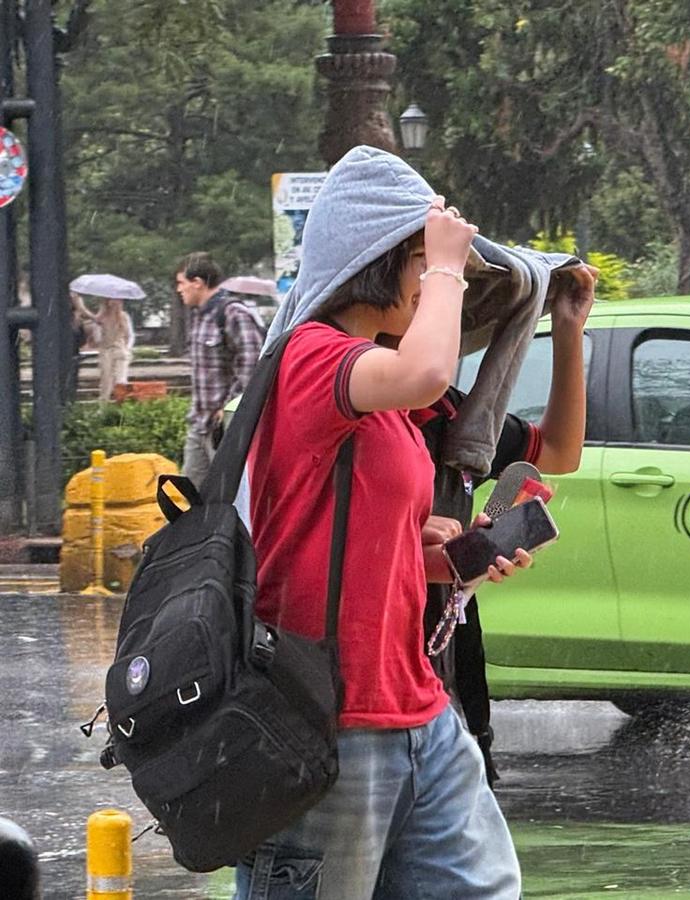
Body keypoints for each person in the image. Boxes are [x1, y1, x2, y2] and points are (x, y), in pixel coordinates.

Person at [235, 148, 530, 899]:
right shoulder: (312, 357)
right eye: (417, 267)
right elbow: (429, 371)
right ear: (383, 261)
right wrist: (446, 261)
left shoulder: (376, 383)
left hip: (419, 709)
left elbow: (352, 529)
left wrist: (435, 554)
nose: (434, 291)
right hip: (329, 718)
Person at [418, 262, 597, 783]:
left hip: (446, 664)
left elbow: (560, 451)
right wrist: (416, 545)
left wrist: (567, 329)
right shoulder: (365, 410)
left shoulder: (455, 418)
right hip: (378, 674)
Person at [175, 252, 263, 486]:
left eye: (181, 283)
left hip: (226, 424)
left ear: (198, 283)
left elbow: (252, 361)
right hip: (200, 422)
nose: (179, 289)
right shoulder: (199, 317)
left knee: (229, 492)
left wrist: (230, 405)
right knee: (191, 493)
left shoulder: (233, 313)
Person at [72, 292, 133, 403]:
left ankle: (120, 403)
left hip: (119, 350)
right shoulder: (102, 317)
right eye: (111, 300)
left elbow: (129, 335)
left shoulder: (123, 317)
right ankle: (105, 405)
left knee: (120, 380)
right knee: (106, 380)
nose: (114, 302)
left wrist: (126, 348)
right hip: (107, 351)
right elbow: (97, 338)